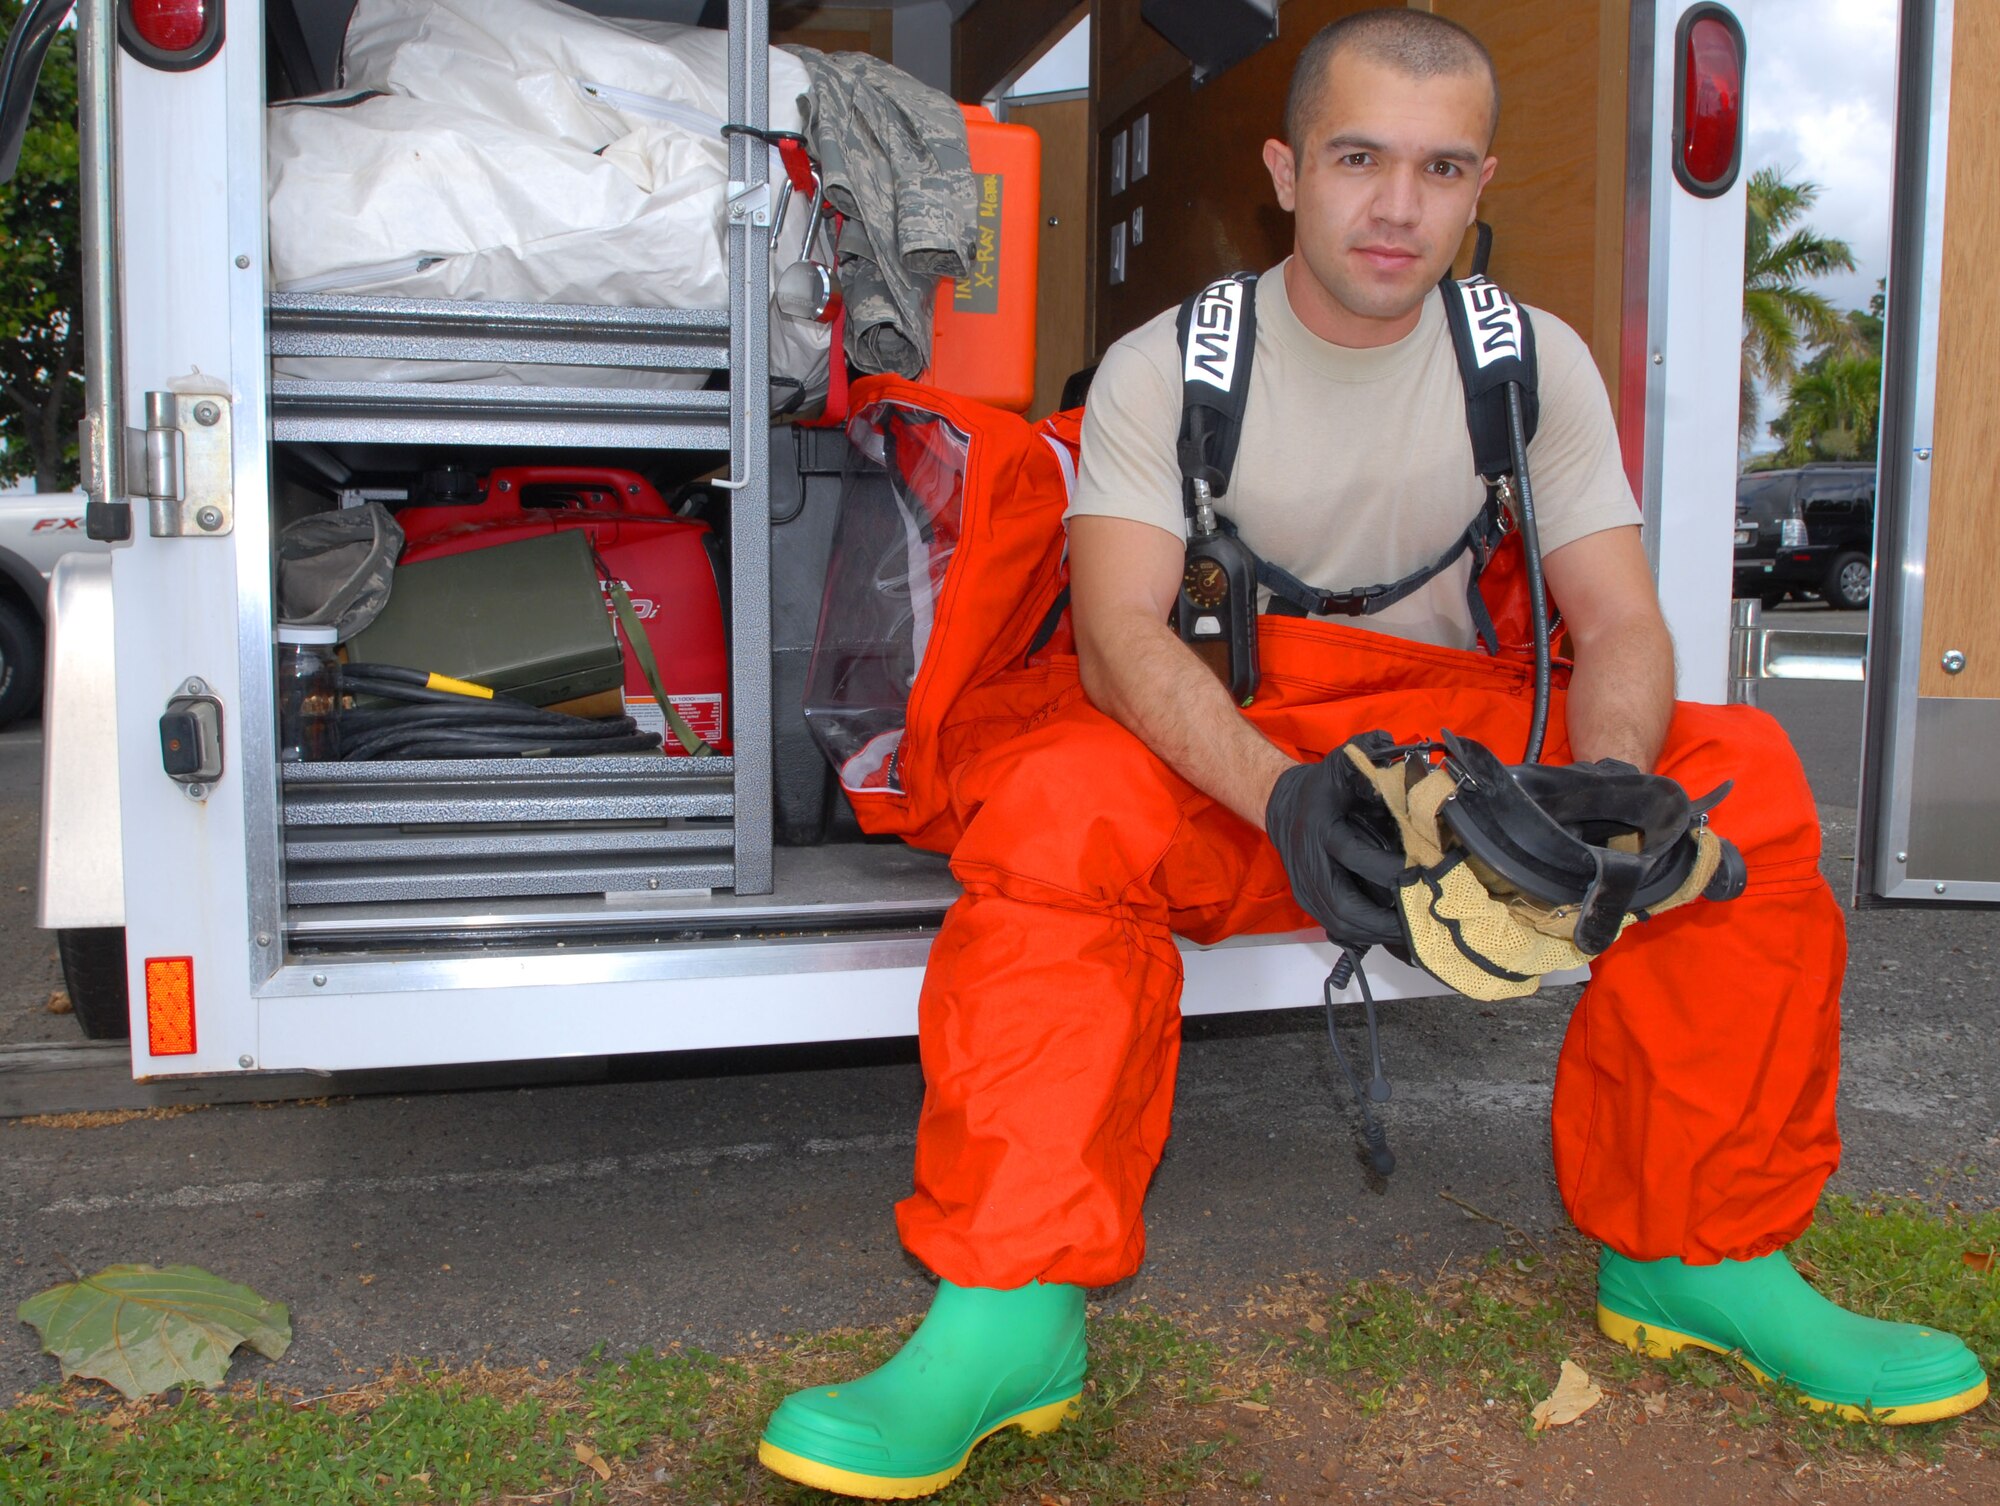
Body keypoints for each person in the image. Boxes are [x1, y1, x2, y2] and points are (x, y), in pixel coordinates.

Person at [758, 11, 1987, 1497]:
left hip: (1450, 746)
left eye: (1440, 167)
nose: (1397, 206)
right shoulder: (1172, 363)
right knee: (1061, 802)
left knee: (1741, 781)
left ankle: (1699, 1256)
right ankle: (1006, 1315)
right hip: (1242, 755)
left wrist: (1598, 794)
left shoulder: (1533, 362)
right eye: (1358, 159)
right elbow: (1122, 642)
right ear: (1285, 170)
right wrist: (1288, 800)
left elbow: (1621, 622)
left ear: (1480, 187)